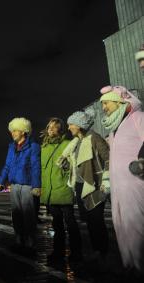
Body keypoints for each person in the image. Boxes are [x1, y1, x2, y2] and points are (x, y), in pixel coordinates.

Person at [99, 86, 144, 276]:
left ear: (119, 102)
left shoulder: (138, 117)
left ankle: (140, 265)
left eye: (106, 103)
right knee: (121, 223)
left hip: (135, 182)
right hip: (119, 185)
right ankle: (130, 263)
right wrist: (107, 180)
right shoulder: (114, 128)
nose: (104, 107)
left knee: (137, 223)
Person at [59, 108, 110, 261]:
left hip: (94, 184)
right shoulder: (77, 142)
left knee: (96, 220)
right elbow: (78, 165)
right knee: (89, 221)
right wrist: (66, 165)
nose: (68, 128)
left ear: (79, 125)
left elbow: (108, 158)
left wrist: (106, 180)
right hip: (81, 186)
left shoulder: (94, 138)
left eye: (71, 125)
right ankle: (96, 250)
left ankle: (103, 252)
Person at [40, 118, 82, 262]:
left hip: (63, 188)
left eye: (54, 126)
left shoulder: (67, 144)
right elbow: (42, 171)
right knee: (56, 224)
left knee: (70, 223)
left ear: (60, 129)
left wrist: (66, 168)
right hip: (50, 191)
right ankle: (58, 252)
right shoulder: (44, 147)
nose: (51, 129)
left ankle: (77, 253)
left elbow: (73, 167)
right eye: (49, 126)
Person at [0, 117, 41, 252]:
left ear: (24, 131)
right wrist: (1, 181)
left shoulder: (33, 146)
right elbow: (7, 165)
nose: (13, 133)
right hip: (14, 184)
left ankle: (30, 240)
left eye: (16, 130)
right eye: (12, 131)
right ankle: (18, 238)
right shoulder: (12, 147)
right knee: (16, 214)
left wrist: (36, 185)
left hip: (27, 185)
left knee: (28, 214)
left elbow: (35, 167)